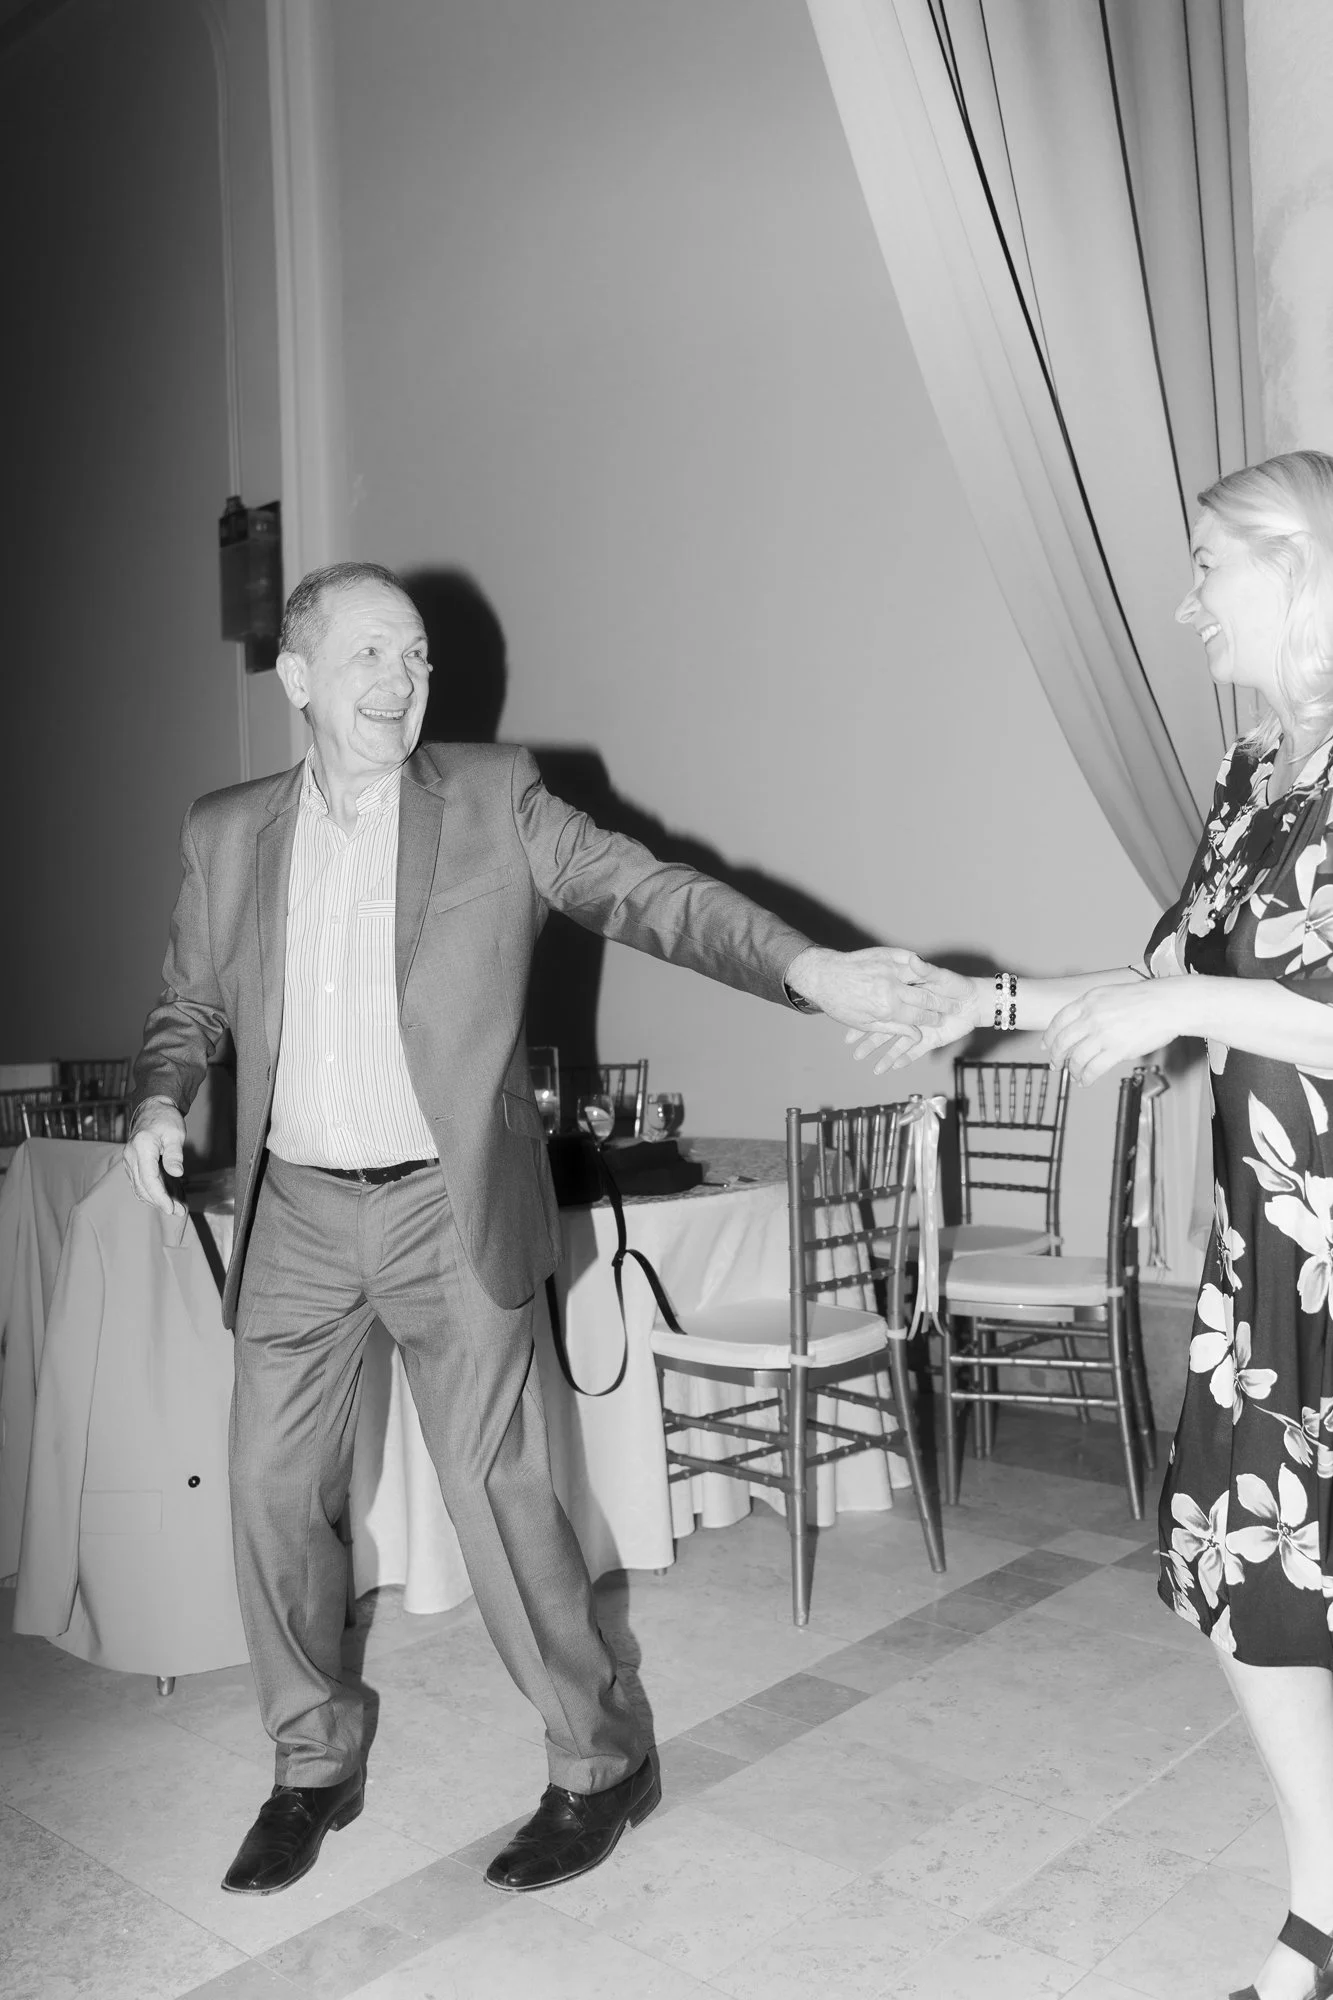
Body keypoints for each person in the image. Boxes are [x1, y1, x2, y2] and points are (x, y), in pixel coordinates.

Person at [122, 559, 965, 1901]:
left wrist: (810, 968)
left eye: (415, 659)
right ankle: (312, 1759)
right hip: (293, 1211)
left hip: (441, 1205)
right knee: (275, 1496)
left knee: (503, 1497)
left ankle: (600, 1759)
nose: (399, 683)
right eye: (367, 660)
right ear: (295, 681)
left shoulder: (494, 799)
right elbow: (189, 1004)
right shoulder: (230, 834)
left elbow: (658, 893)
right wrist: (165, 1099)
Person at [853, 450, 1333, 2000]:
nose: (1187, 600)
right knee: (1250, 1581)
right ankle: (1327, 1906)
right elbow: (1153, 993)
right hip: (1277, 1246)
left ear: (1304, 565)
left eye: (1212, 564)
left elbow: (1231, 1003)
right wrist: (975, 998)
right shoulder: (1252, 778)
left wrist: (1195, 998)